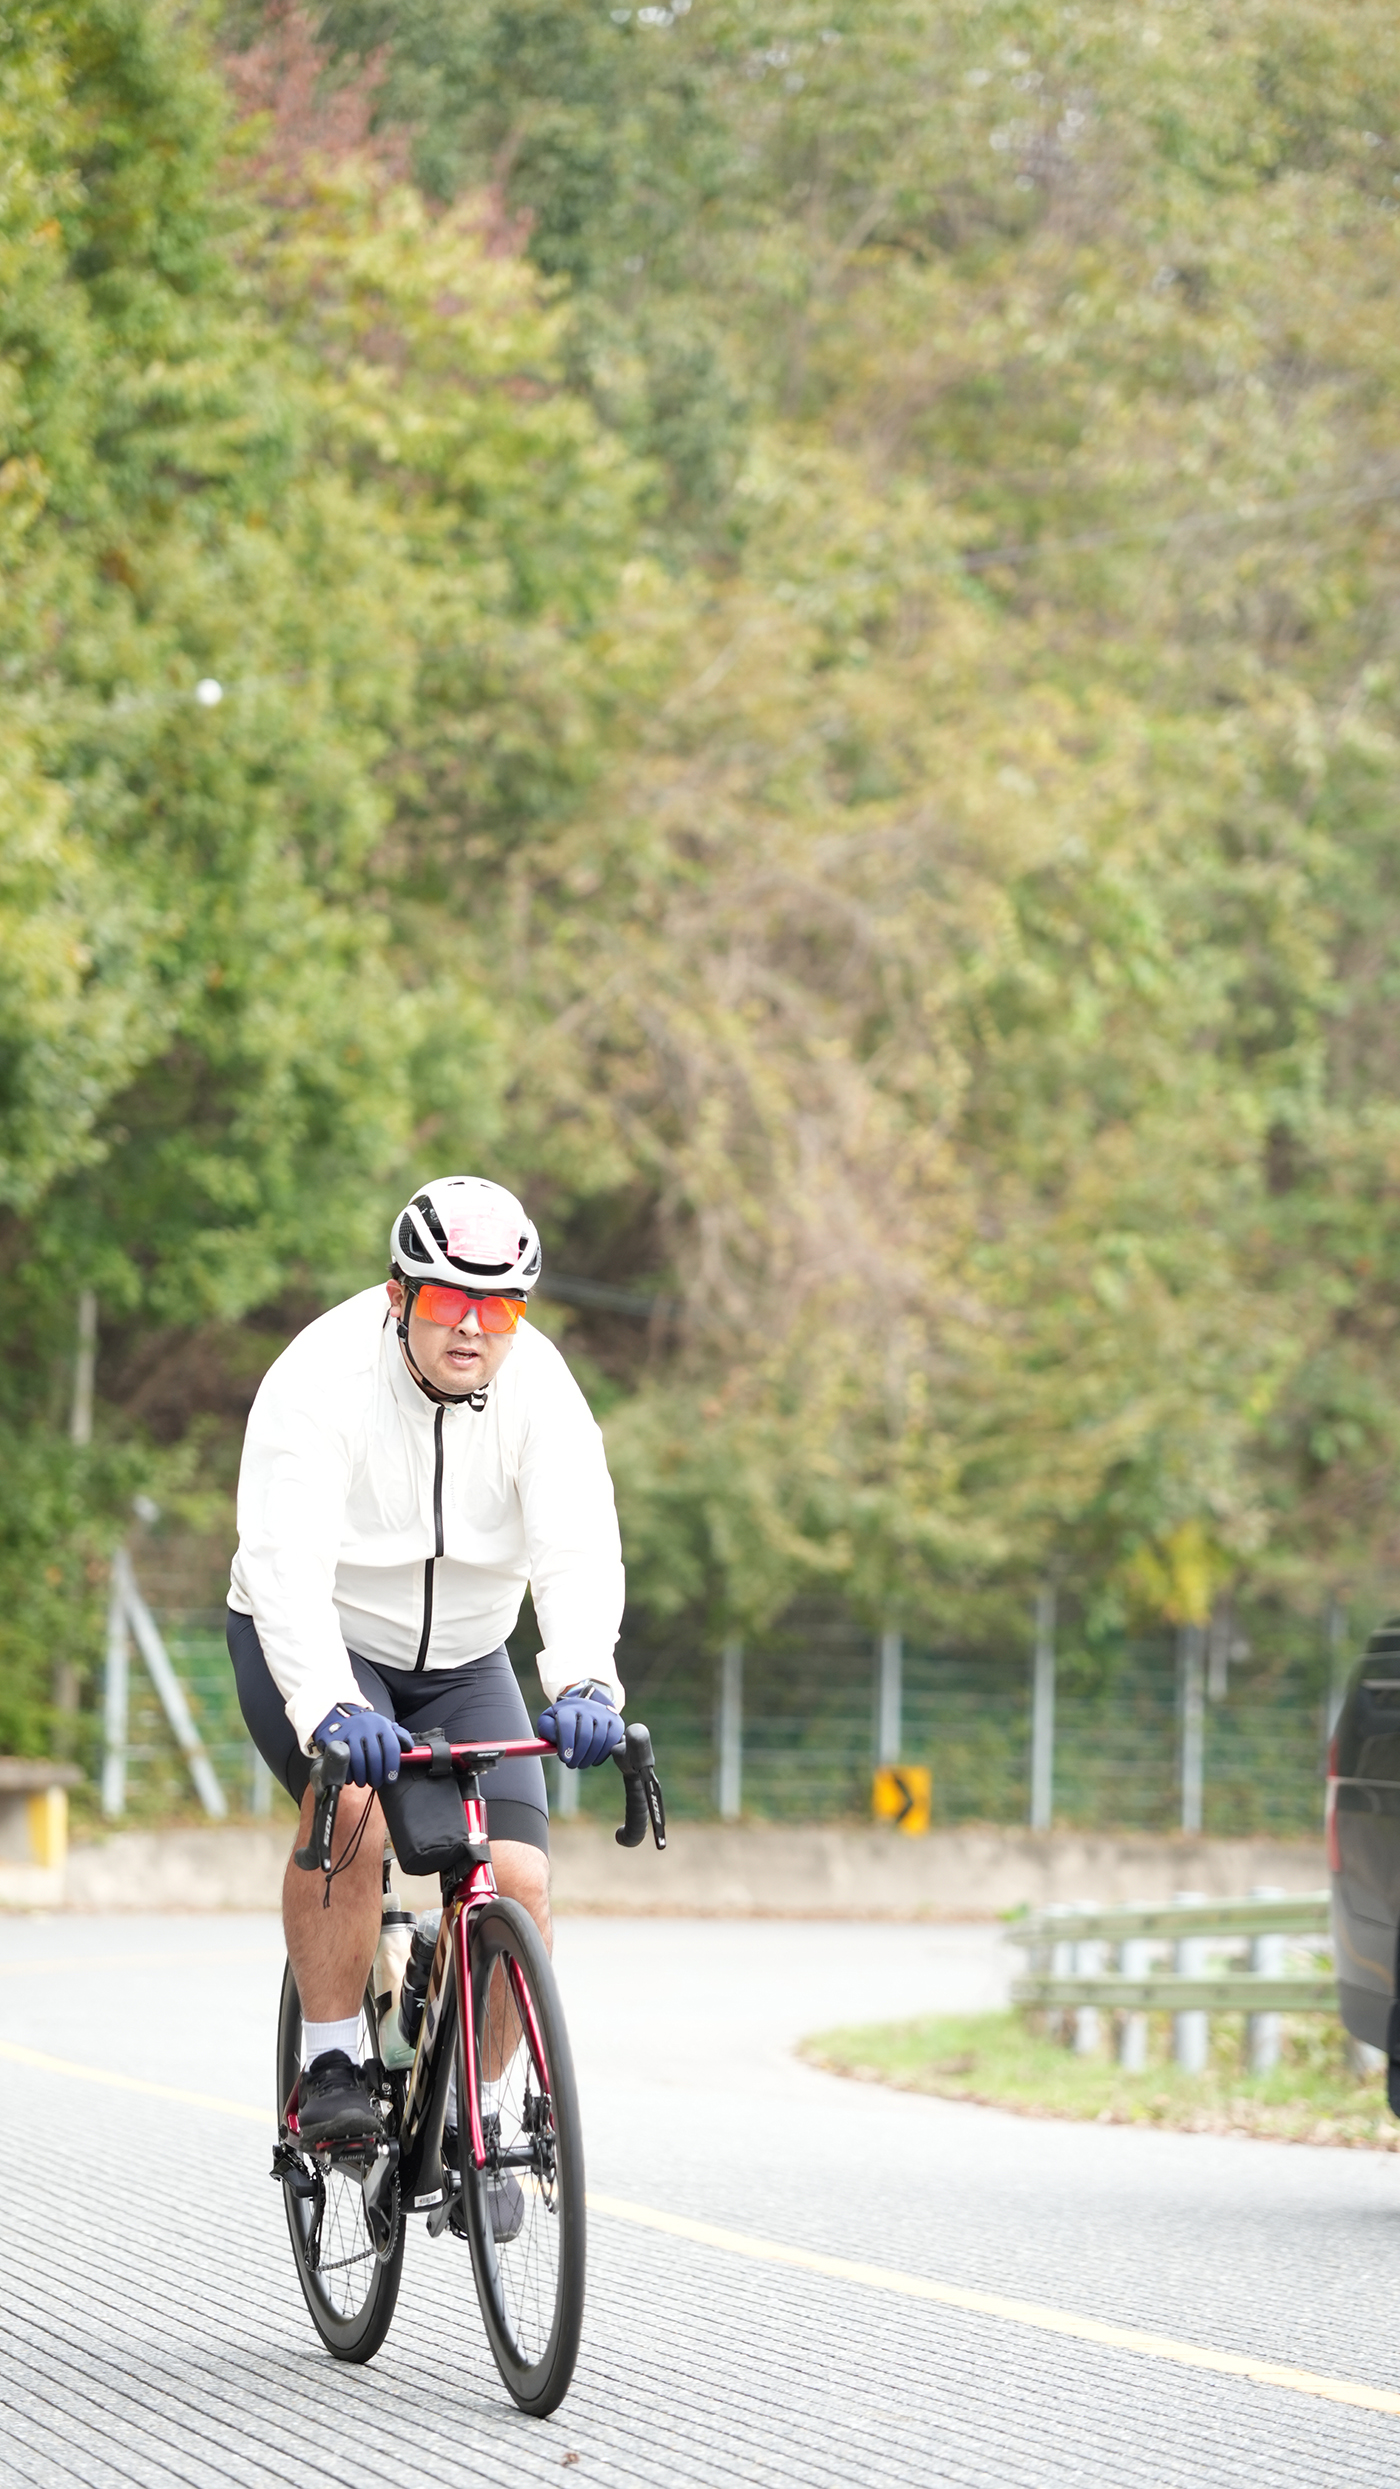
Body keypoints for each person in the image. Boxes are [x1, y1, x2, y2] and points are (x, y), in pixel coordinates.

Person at [227, 1174, 625, 2164]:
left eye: (500, 1308)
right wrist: (328, 1704)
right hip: (326, 1638)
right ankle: (329, 2058)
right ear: (399, 1293)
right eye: (449, 1299)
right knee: (353, 1818)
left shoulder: (541, 1388)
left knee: (516, 1876)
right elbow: (285, 1566)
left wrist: (584, 1677)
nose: (473, 1327)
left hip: (464, 1657)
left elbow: (576, 1546)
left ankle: (474, 2111)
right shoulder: (320, 1377)